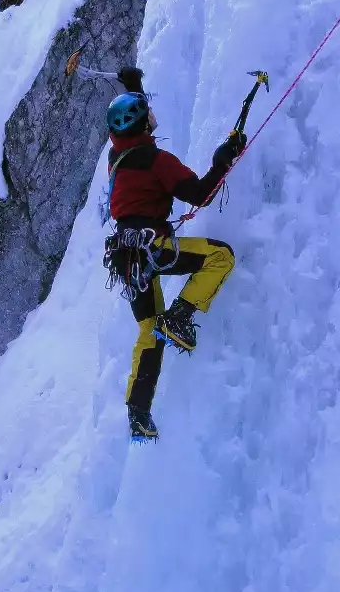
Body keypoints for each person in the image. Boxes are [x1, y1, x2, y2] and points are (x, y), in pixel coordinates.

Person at [100, 66, 246, 442]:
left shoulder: (116, 158)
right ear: (144, 126)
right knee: (221, 258)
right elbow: (201, 195)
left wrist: (134, 88)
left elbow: (133, 126)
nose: (153, 118)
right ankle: (180, 316)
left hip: (126, 258)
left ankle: (138, 412)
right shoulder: (156, 160)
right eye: (149, 116)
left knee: (148, 331)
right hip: (154, 248)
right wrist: (224, 160)